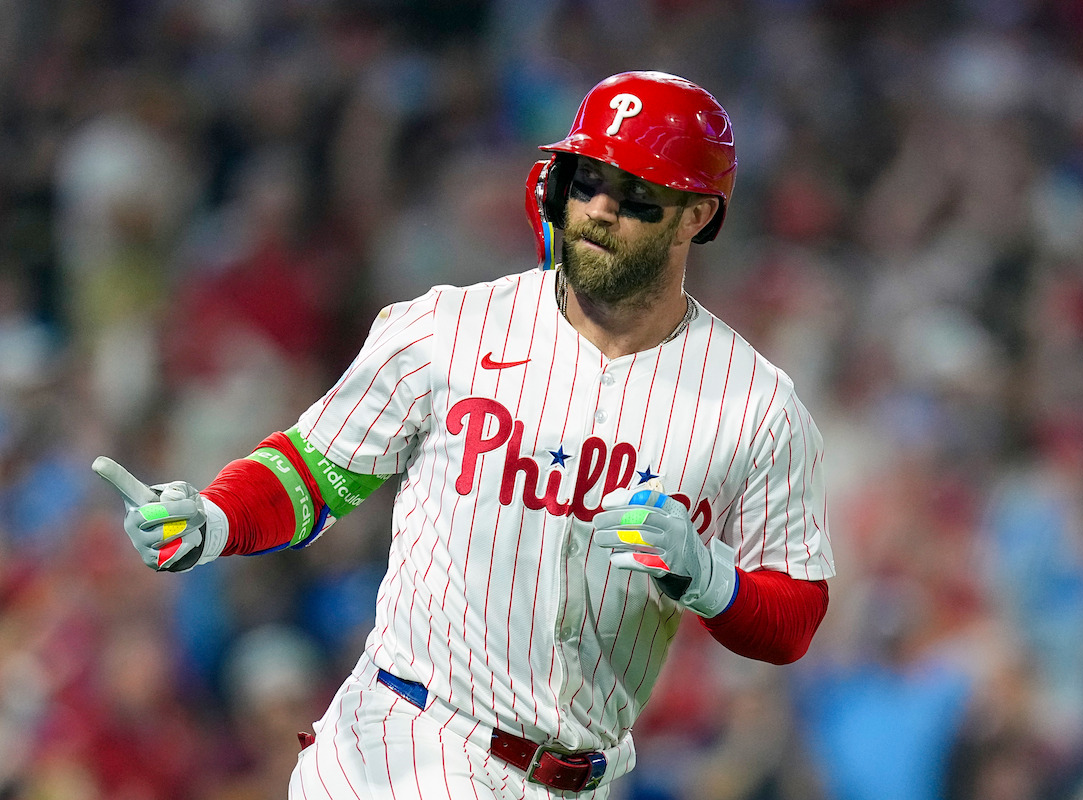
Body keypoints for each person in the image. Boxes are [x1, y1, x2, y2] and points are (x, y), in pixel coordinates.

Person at [94, 70, 835, 799]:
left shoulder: (756, 404)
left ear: (697, 216)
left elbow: (794, 616)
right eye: (585, 181)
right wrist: (216, 519)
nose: (600, 210)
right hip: (406, 741)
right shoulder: (446, 329)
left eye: (635, 194)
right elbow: (317, 470)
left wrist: (709, 578)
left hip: (582, 777)